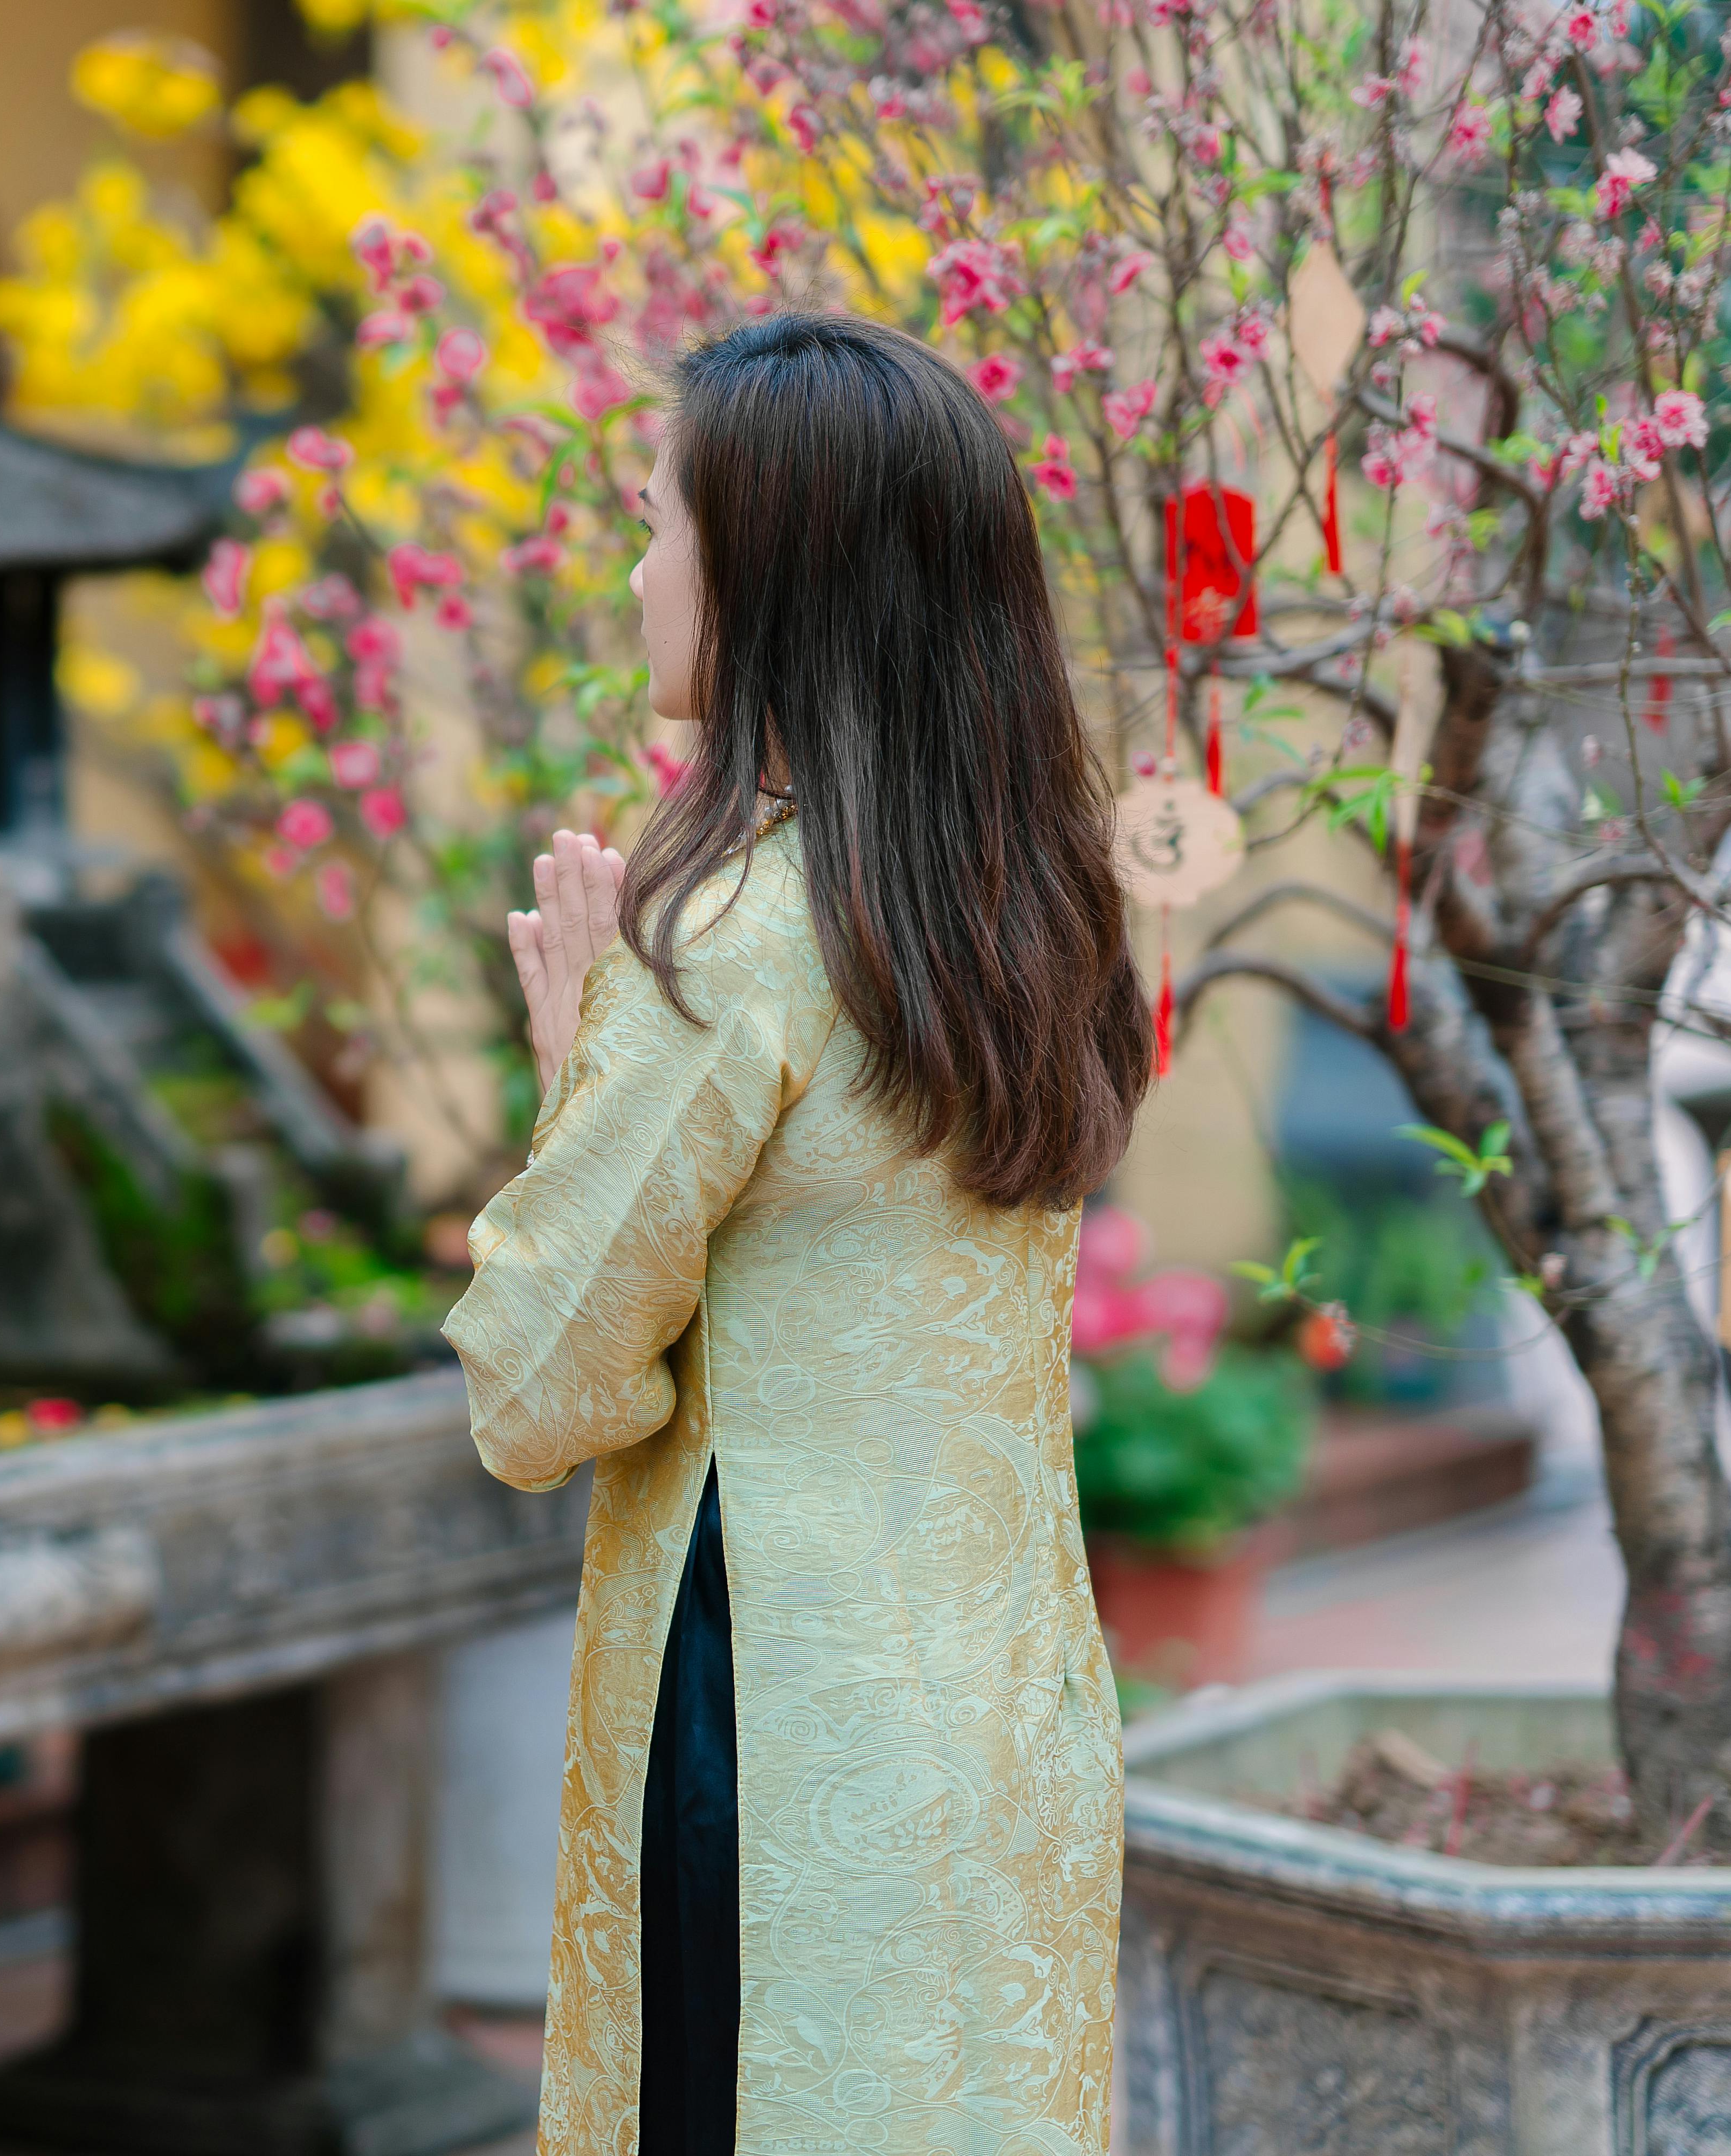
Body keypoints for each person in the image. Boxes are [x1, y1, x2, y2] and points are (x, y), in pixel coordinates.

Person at [442, 313, 1153, 2153]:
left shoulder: (740, 947)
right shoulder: (1038, 911)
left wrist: (575, 1059)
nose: (632, 567)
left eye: (661, 521)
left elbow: (535, 1393)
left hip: (768, 1737)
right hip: (1000, 1702)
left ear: (765, 570)